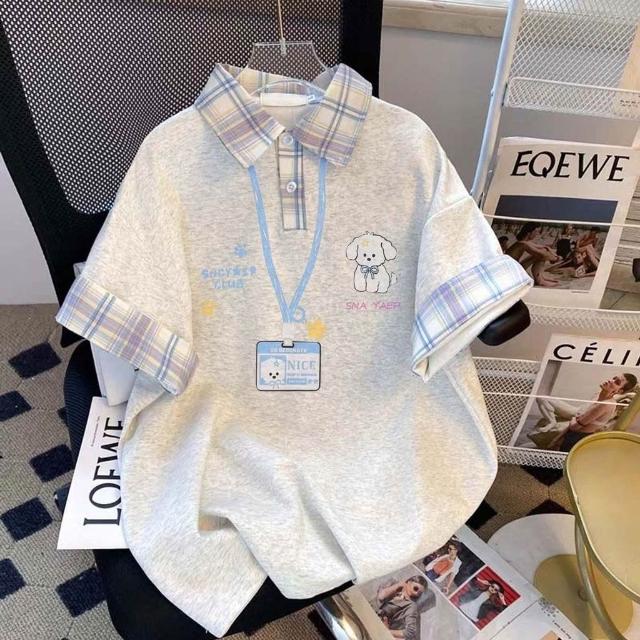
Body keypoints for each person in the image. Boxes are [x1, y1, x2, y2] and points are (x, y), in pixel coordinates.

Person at [530, 373, 638, 452]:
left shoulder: (606, 404)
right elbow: (577, 421)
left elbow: (574, 426)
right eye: (614, 378)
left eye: (617, 382)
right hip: (573, 431)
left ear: (619, 391)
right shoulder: (600, 395)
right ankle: (551, 425)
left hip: (576, 438)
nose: (611, 380)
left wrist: (575, 420)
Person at [373, 575, 430, 640]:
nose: (416, 593)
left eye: (420, 593)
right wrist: (399, 585)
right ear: (409, 582)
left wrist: (387, 632)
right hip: (373, 618)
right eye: (416, 588)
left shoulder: (411, 606)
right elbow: (381, 596)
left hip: (379, 630)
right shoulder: (395, 588)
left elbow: (410, 632)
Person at [505, 223, 561, 287]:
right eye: (536, 232)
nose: (537, 234)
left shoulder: (523, 242)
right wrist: (556, 259)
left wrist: (554, 255)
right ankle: (539, 280)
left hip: (515, 267)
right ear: (529, 233)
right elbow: (542, 254)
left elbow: (544, 247)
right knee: (541, 255)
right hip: (511, 271)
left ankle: (541, 277)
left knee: (542, 251)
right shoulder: (523, 244)